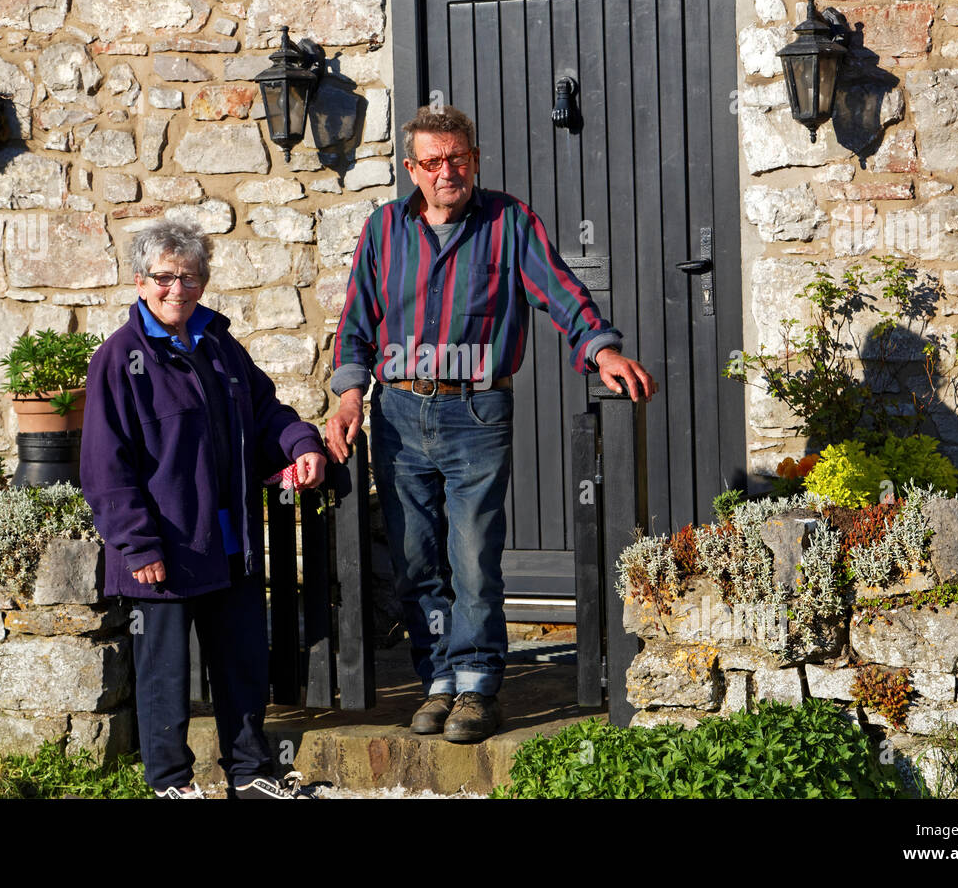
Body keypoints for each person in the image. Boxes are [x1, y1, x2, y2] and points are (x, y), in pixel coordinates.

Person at [325, 106, 655, 743]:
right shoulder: (383, 229)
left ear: (473, 159)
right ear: (412, 169)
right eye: (433, 161)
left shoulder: (508, 221)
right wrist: (347, 398)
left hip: (476, 411)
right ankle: (438, 680)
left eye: (458, 158)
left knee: (472, 555)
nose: (447, 170)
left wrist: (602, 348)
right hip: (396, 410)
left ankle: (476, 684)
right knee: (417, 559)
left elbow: (561, 293)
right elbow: (356, 323)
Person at [81, 220, 328, 799]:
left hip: (230, 541)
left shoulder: (218, 345)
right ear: (140, 282)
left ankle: (251, 774)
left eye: (190, 278)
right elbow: (104, 467)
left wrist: (302, 444)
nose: (177, 289)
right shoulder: (120, 360)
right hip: (164, 550)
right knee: (165, 678)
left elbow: (267, 411)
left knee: (242, 668)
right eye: (165, 277)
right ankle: (170, 784)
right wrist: (137, 543)